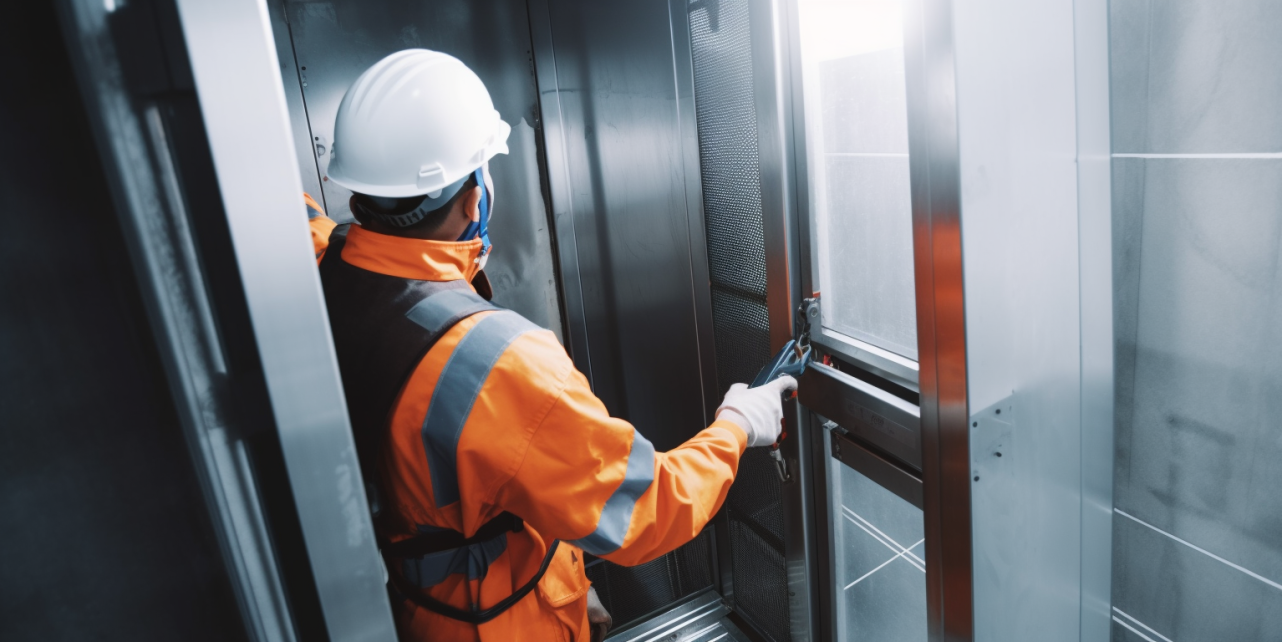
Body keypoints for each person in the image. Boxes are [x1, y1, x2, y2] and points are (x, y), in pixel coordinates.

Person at [306, 49, 796, 642]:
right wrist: (738, 425)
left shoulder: (321, 264)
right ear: (473, 198)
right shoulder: (495, 367)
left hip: (423, 609)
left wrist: (574, 587)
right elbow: (647, 511)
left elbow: (502, 484)